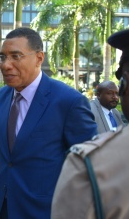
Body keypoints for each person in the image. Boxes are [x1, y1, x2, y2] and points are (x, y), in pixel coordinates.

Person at [0, 27, 97, 219]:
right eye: (2, 57)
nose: (6, 65)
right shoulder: (0, 97)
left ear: (39, 58)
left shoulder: (69, 102)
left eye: (15, 56)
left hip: (47, 212)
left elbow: (90, 167)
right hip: (4, 208)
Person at [51, 28, 129, 219]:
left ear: (124, 85)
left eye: (115, 91)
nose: (114, 96)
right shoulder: (86, 111)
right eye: (109, 93)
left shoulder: (86, 166)